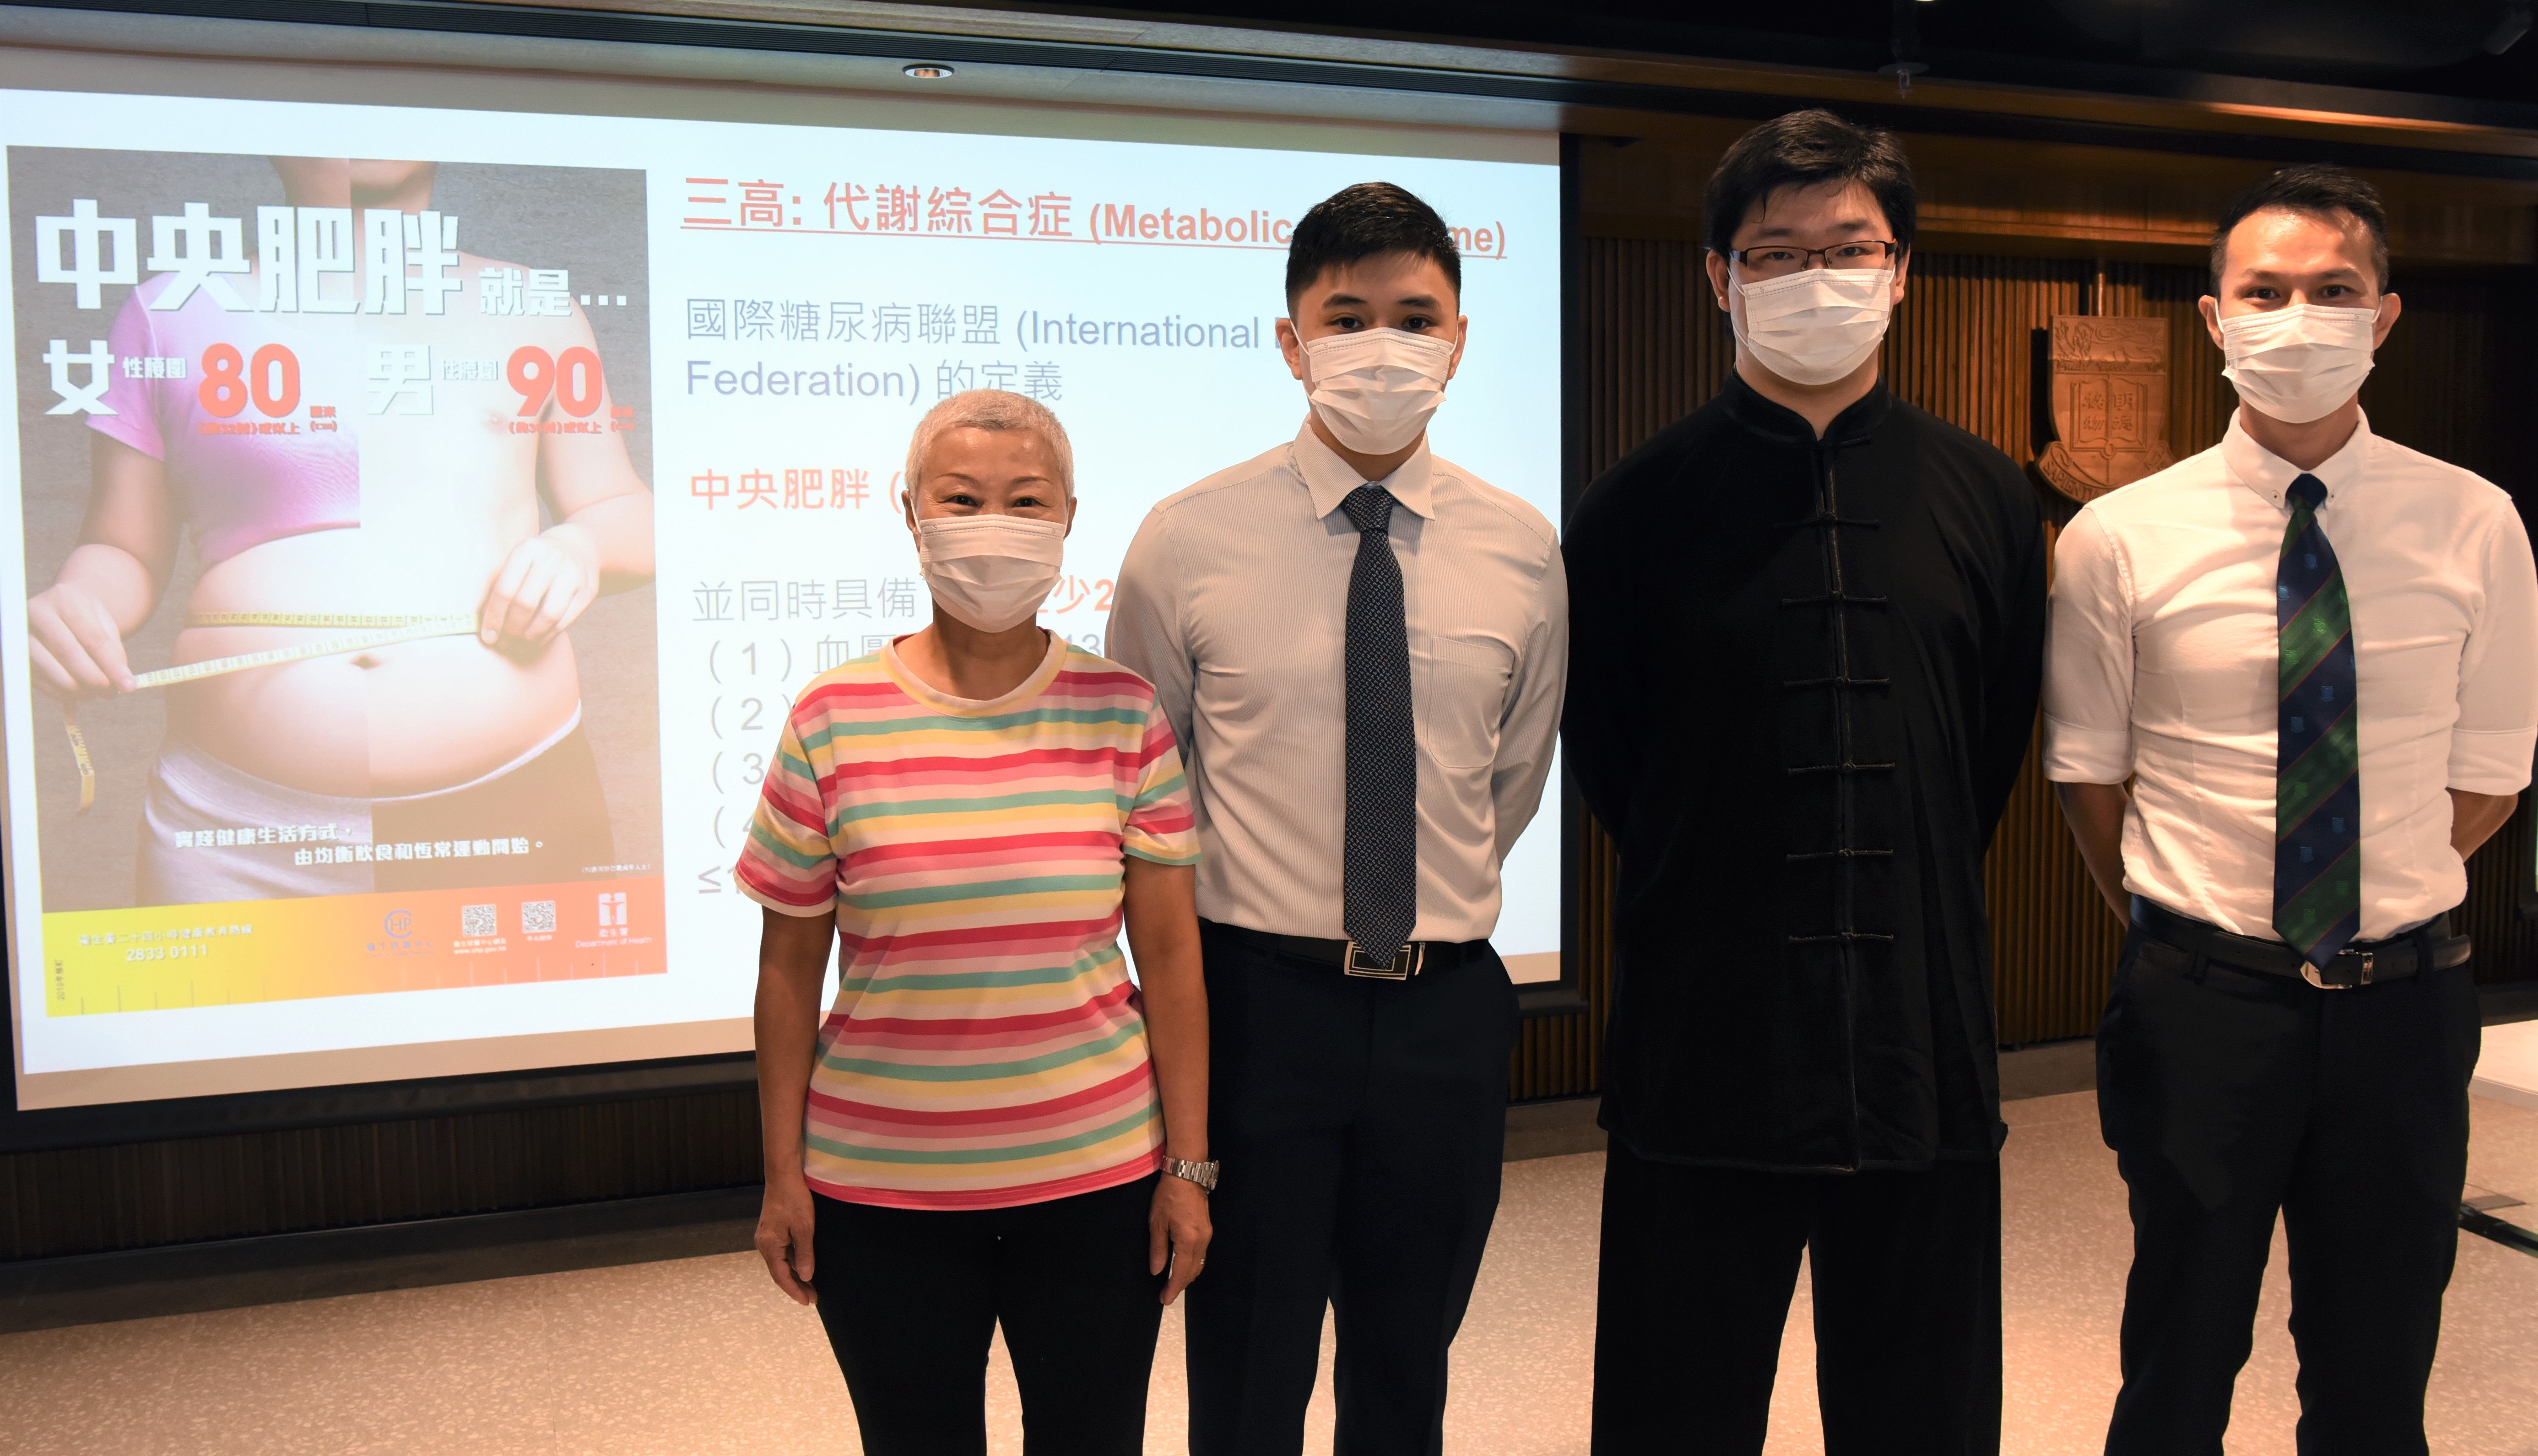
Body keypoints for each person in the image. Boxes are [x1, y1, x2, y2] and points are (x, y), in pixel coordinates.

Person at [1564, 108, 2045, 1454]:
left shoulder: (1985, 496)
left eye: (1851, 247)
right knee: (1674, 1415)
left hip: (1920, 1047)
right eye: (1775, 252)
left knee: (1924, 1419)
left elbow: (1981, 751)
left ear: (1902, 272)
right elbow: (1614, 760)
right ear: (1716, 274)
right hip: (1700, 1047)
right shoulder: (1633, 507)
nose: (1815, 278)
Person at [2046, 164, 2536, 1455]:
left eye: (2332, 290)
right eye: (2264, 291)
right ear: (2214, 319)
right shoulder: (2118, 534)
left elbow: (2489, 770)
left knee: (2378, 1367)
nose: (2297, 316)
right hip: (2201, 1003)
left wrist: (2363, 903)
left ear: (2382, 315)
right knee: (2179, 1351)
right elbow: (2090, 774)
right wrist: (2196, 925)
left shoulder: (2475, 521)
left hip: (2406, 1009)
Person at [1107, 182, 1566, 1454]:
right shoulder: (1188, 540)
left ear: (1461, 339)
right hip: (1259, 1005)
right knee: (1248, 1369)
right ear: (1291, 338)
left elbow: (1509, 777)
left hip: (1446, 1010)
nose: (1383, 344)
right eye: (1347, 315)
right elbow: (1150, 792)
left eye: (1414, 316)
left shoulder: (1521, 549)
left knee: (1406, 1357)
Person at [741, 390, 1216, 1456]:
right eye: (961, 499)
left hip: (1096, 1185)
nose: (992, 523)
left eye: (1024, 499)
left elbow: (1173, 963)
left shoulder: (1124, 713)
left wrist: (1188, 1169)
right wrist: (782, 1177)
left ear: (1066, 518)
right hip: (879, 1194)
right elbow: (786, 976)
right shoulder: (831, 719)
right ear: (909, 512)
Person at [26, 157, 649, 902]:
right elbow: (121, 545)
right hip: (235, 837)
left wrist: (577, 546)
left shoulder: (537, 308)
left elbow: (625, 512)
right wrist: (76, 602)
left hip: (516, 804)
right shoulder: (171, 311)